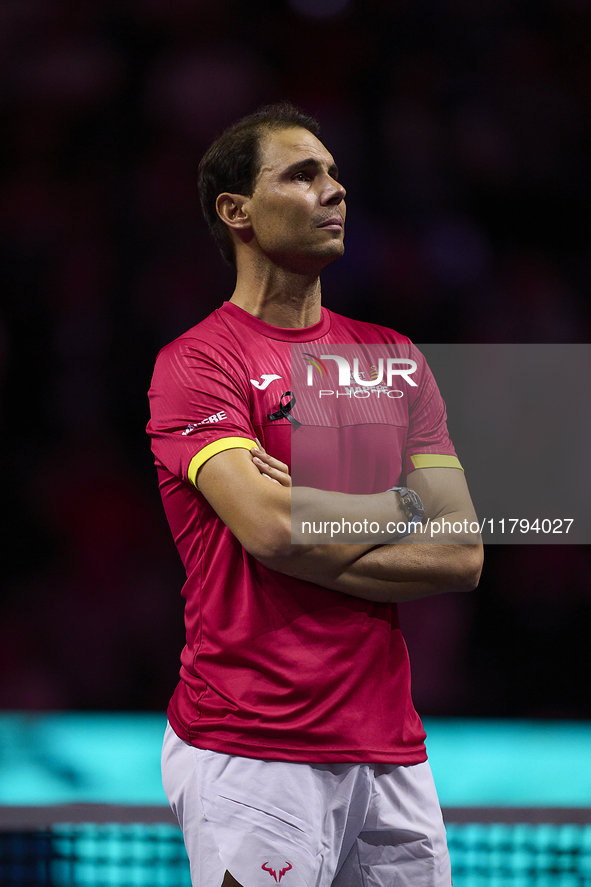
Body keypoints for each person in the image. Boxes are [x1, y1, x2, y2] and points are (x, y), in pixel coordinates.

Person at [147, 102, 483, 887]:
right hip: (254, 744)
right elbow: (270, 530)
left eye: (333, 174)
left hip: (390, 751)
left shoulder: (391, 357)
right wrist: (402, 507)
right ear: (237, 211)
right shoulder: (198, 363)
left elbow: (463, 550)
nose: (333, 190)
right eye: (302, 174)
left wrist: (317, 519)